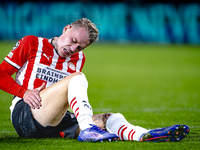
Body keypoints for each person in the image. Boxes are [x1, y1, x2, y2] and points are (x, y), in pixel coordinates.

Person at [0, 18, 189, 142]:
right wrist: (23, 92)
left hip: (57, 120)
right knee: (78, 78)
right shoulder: (32, 43)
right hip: (26, 116)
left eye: (80, 48)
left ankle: (144, 134)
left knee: (111, 118)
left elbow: (68, 95)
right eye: (73, 40)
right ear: (66, 28)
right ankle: (87, 128)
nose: (74, 49)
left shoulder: (78, 59)